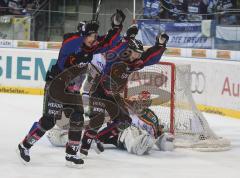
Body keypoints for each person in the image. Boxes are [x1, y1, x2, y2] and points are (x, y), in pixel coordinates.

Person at [17, 9, 126, 168]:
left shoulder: (92, 48)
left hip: (73, 91)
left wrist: (116, 27)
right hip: (57, 87)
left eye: (95, 36)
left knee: (77, 118)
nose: (94, 39)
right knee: (49, 121)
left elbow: (109, 42)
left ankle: (71, 154)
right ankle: (24, 145)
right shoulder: (69, 45)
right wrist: (83, 33)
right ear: (83, 35)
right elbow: (71, 44)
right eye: (92, 36)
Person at [79, 24, 170, 158]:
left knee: (124, 121)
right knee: (96, 120)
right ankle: (83, 149)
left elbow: (150, 57)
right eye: (136, 53)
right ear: (128, 50)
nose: (138, 56)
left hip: (114, 96)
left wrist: (160, 45)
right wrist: (127, 37)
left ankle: (98, 138)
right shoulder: (115, 58)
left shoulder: (136, 62)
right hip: (99, 91)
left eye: (139, 54)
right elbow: (116, 48)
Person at [95, 91, 175, 155]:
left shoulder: (151, 116)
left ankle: (143, 144)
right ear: (138, 100)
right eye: (143, 101)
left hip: (141, 140)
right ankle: (135, 146)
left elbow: (156, 133)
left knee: (144, 134)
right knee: (130, 128)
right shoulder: (129, 106)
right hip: (121, 137)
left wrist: (161, 137)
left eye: (146, 102)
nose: (144, 104)